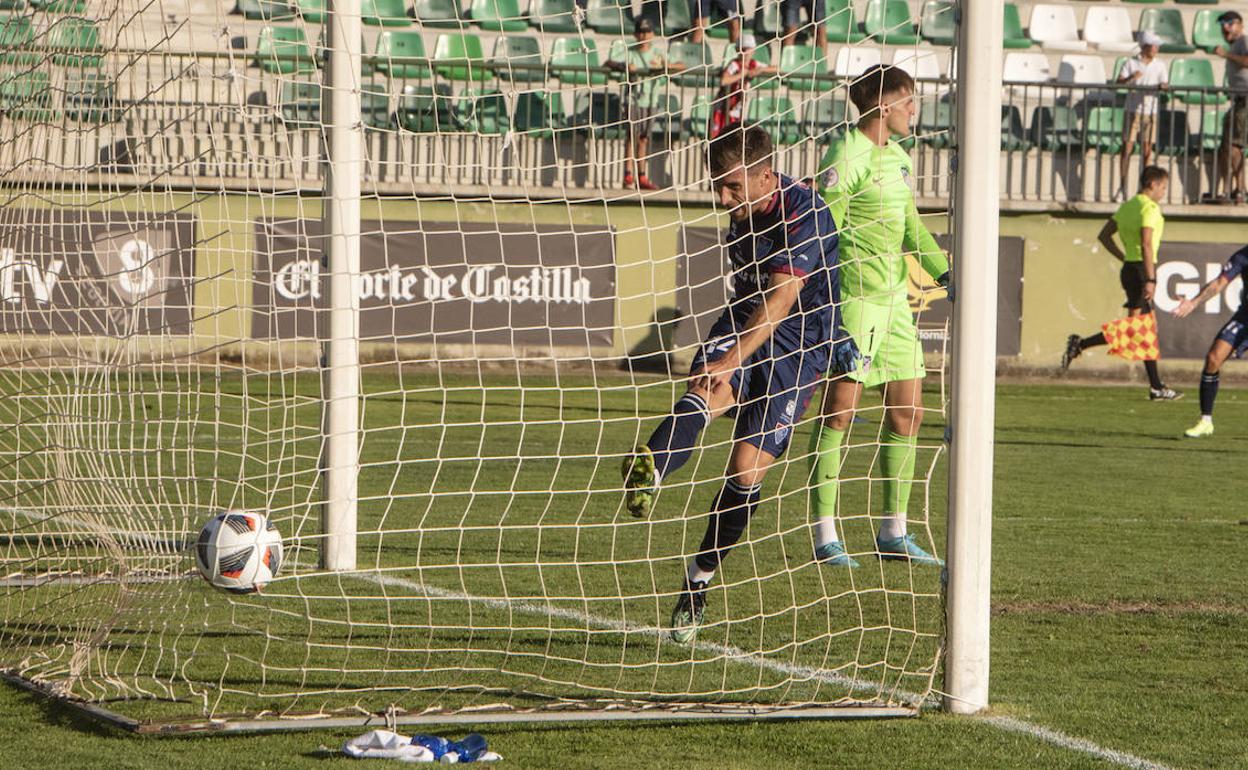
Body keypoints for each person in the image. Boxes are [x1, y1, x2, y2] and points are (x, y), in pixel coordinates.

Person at [619, 124, 857, 642]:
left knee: (746, 472)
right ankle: (652, 471)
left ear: (766, 175)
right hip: (744, 319)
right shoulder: (744, 211)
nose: (723, 198)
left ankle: (697, 583)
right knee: (705, 391)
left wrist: (732, 359)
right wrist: (725, 358)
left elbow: (781, 301)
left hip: (798, 344)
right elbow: (756, 305)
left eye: (732, 187)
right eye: (716, 186)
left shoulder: (806, 214)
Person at [807, 65, 949, 569]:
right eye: (909, 100)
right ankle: (825, 535)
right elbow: (821, 235)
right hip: (854, 305)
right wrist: (825, 308)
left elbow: (912, 228)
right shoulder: (847, 155)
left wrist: (947, 274)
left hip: (894, 305)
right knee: (839, 414)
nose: (915, 110)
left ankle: (894, 531)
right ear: (883, 106)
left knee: (909, 410)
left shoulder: (899, 157)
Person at [1061, 166, 1182, 401]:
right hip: (1140, 272)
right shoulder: (1149, 208)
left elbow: (1104, 235)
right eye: (1164, 187)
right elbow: (1147, 244)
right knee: (1140, 329)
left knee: (1142, 329)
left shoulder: (1127, 206)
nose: (1164, 192)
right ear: (1153, 184)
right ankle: (1081, 344)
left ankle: (1156, 386)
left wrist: (1123, 257)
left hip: (1130, 268)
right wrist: (1151, 279)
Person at [1174, 244, 1248, 437]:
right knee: (1213, 358)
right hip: (1245, 319)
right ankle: (1205, 421)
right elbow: (1218, 284)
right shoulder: (1243, 256)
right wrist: (1193, 303)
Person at [606, 18, 682, 191]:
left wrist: (666, 65)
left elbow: (682, 66)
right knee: (631, 136)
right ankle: (627, 174)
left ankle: (641, 175)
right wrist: (624, 66)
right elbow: (608, 62)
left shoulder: (657, 53)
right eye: (640, 32)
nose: (644, 35)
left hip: (651, 100)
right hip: (633, 99)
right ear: (635, 34)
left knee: (643, 138)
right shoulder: (630, 52)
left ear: (653, 34)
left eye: (647, 32)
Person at [1114, 31, 1168, 203]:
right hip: (1132, 110)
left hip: (1150, 111)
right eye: (1153, 45)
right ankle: (1122, 188)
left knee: (1146, 151)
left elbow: (1165, 84)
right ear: (1144, 46)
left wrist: (1163, 87)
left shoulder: (1160, 65)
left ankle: (1143, 191)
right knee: (1127, 149)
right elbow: (1118, 82)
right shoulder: (1130, 62)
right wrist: (1131, 78)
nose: (1156, 48)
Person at [709, 34, 778, 139]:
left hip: (737, 109)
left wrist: (761, 70)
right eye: (743, 49)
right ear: (737, 50)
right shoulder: (735, 64)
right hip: (722, 109)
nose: (745, 52)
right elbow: (724, 80)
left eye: (748, 49)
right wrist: (741, 75)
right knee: (717, 139)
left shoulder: (753, 64)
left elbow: (777, 68)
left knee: (733, 141)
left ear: (753, 50)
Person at [1214, 10, 1248, 203]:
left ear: (1240, 24)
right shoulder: (1236, 45)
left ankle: (1238, 190)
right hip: (1238, 100)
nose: (1225, 28)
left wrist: (1226, 54)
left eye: (1229, 23)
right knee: (1229, 146)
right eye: (1222, 24)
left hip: (1246, 99)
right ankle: (1236, 189)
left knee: (1233, 144)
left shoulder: (1244, 41)